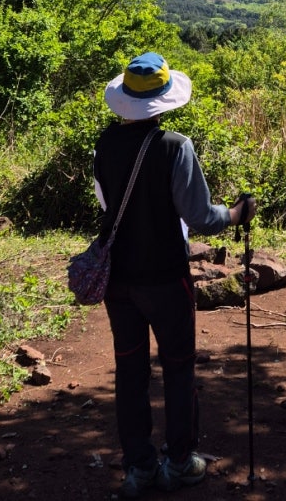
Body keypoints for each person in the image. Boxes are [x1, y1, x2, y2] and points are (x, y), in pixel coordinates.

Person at [93, 51, 256, 497]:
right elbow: (201, 217)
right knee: (178, 367)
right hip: (166, 277)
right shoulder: (175, 147)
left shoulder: (105, 145)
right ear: (164, 100)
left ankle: (139, 467)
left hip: (119, 279)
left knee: (130, 370)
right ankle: (180, 462)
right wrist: (238, 213)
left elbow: (107, 205)